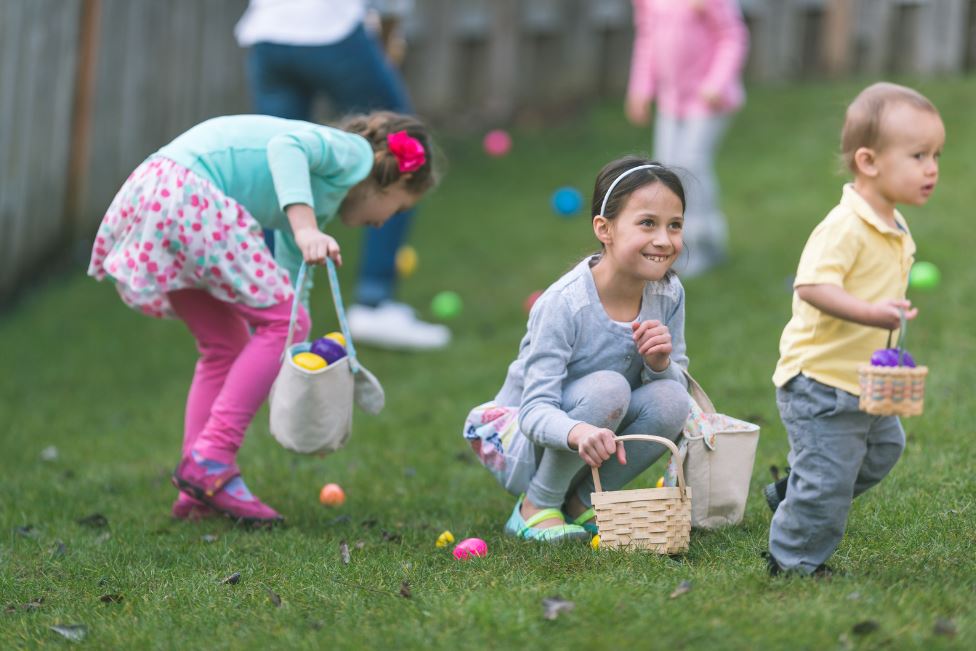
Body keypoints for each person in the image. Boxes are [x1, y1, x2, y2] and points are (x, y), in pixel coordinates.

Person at [88, 111, 439, 524]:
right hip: (189, 194)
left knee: (227, 345)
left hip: (162, 192)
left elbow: (292, 305)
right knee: (273, 327)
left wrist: (295, 379)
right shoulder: (353, 153)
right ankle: (213, 457)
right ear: (394, 178)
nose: (383, 224)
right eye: (397, 210)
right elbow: (285, 147)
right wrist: (306, 229)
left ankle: (198, 488)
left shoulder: (314, 201)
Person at [462, 157, 692, 542]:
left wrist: (659, 364)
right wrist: (577, 430)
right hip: (522, 441)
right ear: (605, 229)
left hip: (598, 433)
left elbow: (678, 386)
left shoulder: (668, 293)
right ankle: (535, 505)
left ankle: (582, 504)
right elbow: (534, 412)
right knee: (609, 387)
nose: (664, 240)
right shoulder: (564, 304)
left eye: (675, 225)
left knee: (672, 398)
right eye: (647, 223)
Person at [765, 83, 944, 575]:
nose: (932, 168)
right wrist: (872, 313)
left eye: (935, 155)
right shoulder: (845, 225)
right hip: (820, 381)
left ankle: (795, 490)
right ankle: (793, 562)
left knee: (885, 449)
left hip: (864, 378)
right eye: (918, 155)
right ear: (868, 162)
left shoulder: (893, 222)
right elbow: (812, 286)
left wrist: (888, 312)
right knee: (828, 480)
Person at [235, 0, 450, 350]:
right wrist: (387, 35)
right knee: (404, 147)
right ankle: (374, 300)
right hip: (330, 29)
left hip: (268, 33)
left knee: (277, 166)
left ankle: (264, 311)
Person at [625, 0, 748, 277]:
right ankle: (673, 241)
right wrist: (641, 88)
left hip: (708, 99)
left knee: (692, 165)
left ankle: (704, 241)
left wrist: (717, 82)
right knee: (666, 172)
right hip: (672, 100)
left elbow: (733, 36)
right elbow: (647, 39)